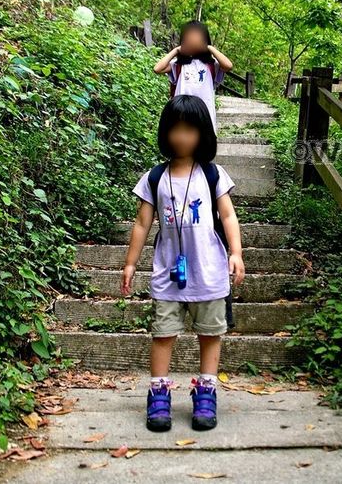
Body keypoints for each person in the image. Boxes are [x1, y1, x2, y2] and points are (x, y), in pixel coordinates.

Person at [121, 95, 245, 432]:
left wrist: (236, 252)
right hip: (167, 273)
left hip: (208, 270)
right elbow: (142, 223)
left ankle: (206, 391)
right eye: (175, 129)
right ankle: (158, 394)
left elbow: (228, 215)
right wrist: (131, 263)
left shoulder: (212, 173)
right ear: (165, 132)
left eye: (190, 129)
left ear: (203, 133)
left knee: (210, 334)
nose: (182, 136)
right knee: (163, 334)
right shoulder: (155, 177)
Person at [153, 20, 234, 131]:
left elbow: (228, 65)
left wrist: (209, 48)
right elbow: (157, 69)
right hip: (181, 115)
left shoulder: (211, 65)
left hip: (205, 116)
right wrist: (177, 50)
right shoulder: (178, 65)